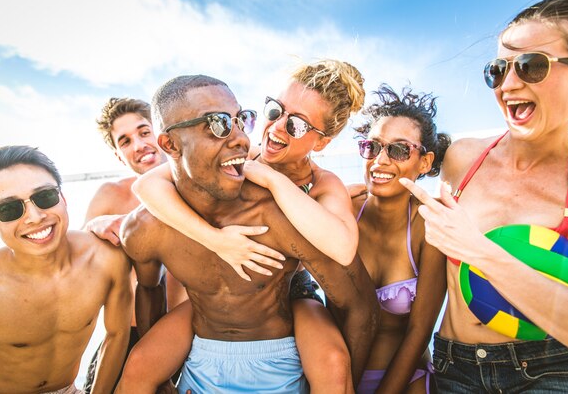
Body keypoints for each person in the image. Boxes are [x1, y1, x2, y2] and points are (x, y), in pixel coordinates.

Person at [116, 74, 378, 393]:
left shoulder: (312, 192)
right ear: (169, 144)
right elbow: (147, 185)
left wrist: (275, 182)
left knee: (333, 364)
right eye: (219, 123)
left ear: (321, 142)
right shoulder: (149, 224)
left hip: (293, 300)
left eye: (241, 120)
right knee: (138, 367)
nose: (275, 128)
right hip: (206, 333)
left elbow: (348, 266)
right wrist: (215, 239)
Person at [401, 0, 568, 392]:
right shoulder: (463, 158)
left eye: (532, 66)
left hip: (555, 369)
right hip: (455, 366)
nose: (508, 85)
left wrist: (478, 251)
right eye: (498, 69)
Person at [0, 145, 133, 394]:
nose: (35, 217)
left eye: (45, 196)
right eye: (8, 209)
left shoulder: (107, 259)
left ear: (63, 198)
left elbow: (117, 335)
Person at [350, 84, 449, 393]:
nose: (380, 160)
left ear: (425, 162)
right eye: (372, 146)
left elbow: (420, 331)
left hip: (406, 381)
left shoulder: (428, 224)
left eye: (399, 149)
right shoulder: (343, 210)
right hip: (339, 378)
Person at [82, 98, 171, 393]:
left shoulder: (202, 189)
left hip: (194, 335)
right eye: (125, 141)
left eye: (144, 132)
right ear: (120, 157)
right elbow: (77, 261)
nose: (139, 145)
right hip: (128, 338)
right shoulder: (111, 195)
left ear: (163, 133)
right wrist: (94, 225)